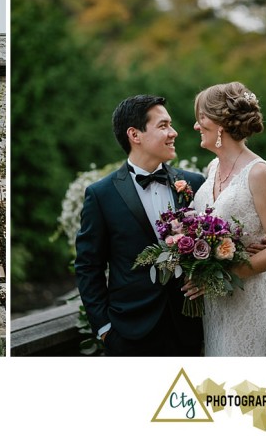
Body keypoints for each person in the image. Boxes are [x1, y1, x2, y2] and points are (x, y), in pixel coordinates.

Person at [75, 95, 207, 356]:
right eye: (163, 126)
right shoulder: (101, 194)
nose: (173, 132)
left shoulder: (194, 183)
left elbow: (212, 243)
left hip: (189, 328)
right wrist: (104, 327)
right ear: (134, 134)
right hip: (129, 333)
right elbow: (88, 265)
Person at [189, 82, 266, 356]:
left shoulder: (259, 173)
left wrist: (222, 275)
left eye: (201, 119)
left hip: (248, 301)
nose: (196, 126)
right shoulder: (213, 167)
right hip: (216, 305)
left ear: (220, 124)